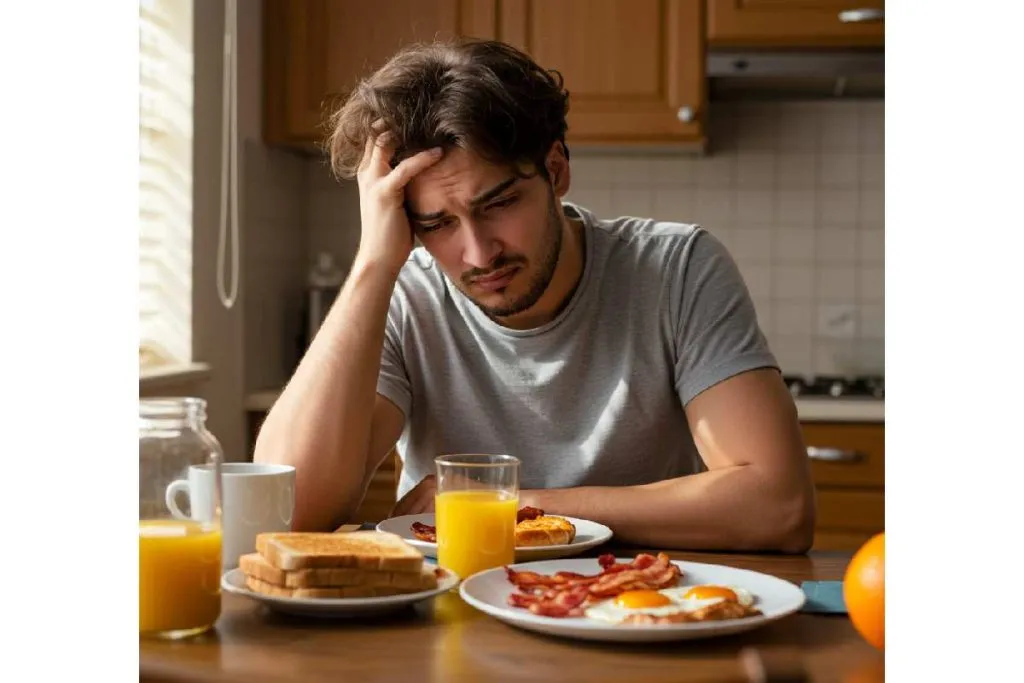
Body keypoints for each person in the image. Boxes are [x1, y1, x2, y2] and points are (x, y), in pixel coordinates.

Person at [254, 39, 816, 553]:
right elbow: (287, 514)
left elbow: (778, 508)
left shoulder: (677, 268)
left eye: (497, 204)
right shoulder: (406, 292)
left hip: (636, 608)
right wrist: (374, 263)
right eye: (438, 224)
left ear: (556, 168)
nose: (478, 254)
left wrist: (515, 505)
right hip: (454, 619)